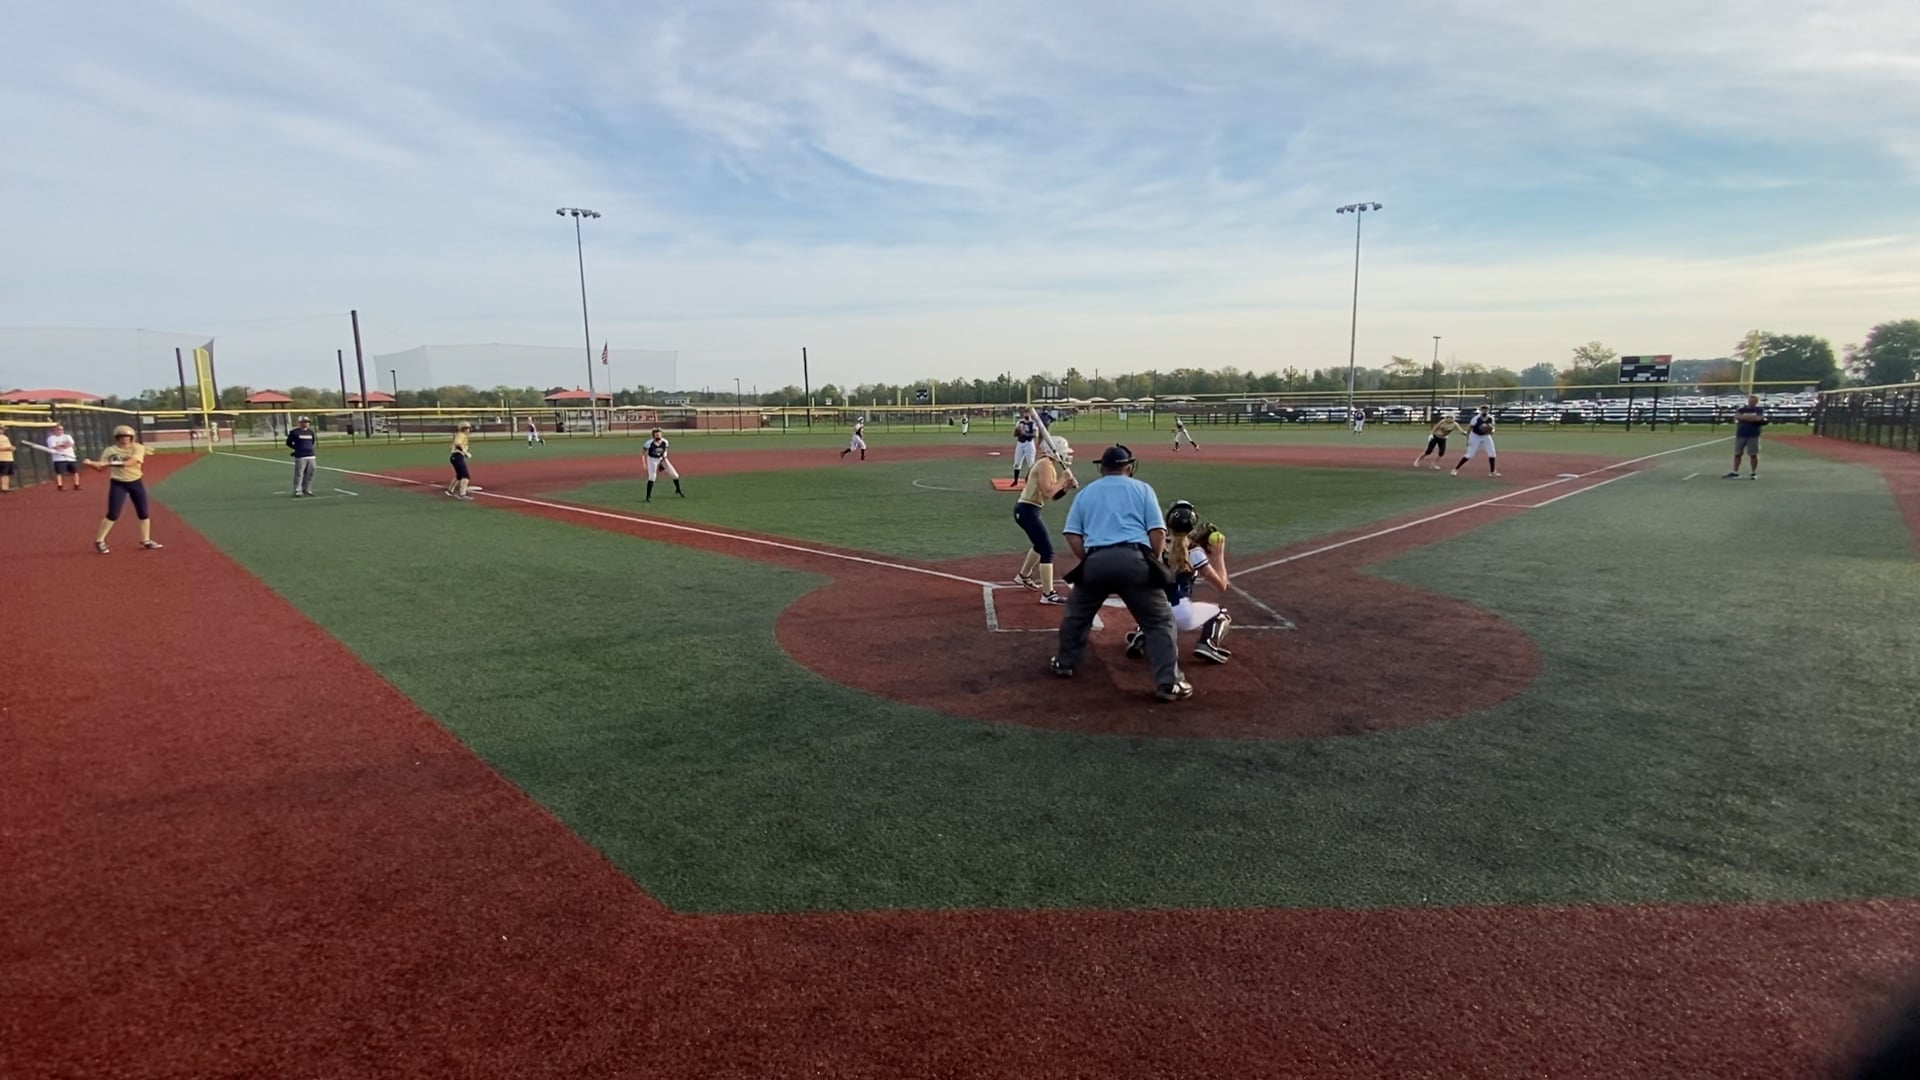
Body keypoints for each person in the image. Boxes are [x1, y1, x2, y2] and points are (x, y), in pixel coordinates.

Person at [1051, 444, 1191, 702]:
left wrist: (1090, 560)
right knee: (1159, 622)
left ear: (1102, 468)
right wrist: (1152, 560)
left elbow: (1072, 534)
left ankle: (1064, 662)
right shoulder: (1143, 489)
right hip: (1135, 560)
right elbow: (1158, 532)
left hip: (1096, 562)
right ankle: (1169, 683)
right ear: (1129, 467)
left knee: (1076, 615)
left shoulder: (1086, 492)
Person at [1125, 500, 1233, 665]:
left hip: (1154, 611)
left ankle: (1144, 632)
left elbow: (1176, 547)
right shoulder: (1195, 552)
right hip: (1183, 614)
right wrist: (1218, 555)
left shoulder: (1156, 546)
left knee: (1153, 604)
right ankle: (1207, 644)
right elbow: (1222, 585)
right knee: (1221, 613)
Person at [1012, 437, 1078, 605]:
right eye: (1063, 452)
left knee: (1039, 545)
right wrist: (1063, 479)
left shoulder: (1048, 465)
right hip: (1027, 510)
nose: (1065, 455)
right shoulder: (1044, 465)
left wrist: (1066, 487)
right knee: (1047, 550)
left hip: (1029, 510)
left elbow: (1052, 496)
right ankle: (1048, 594)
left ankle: (1023, 575)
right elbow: (1048, 492)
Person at [83, 425, 162, 553]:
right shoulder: (110, 450)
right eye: (122, 436)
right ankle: (100, 541)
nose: (125, 439)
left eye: (127, 436)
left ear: (132, 438)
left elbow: (130, 463)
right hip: (118, 483)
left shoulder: (138, 447)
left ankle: (146, 540)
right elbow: (100, 469)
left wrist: (107, 463)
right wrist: (91, 464)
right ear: (117, 438)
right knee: (113, 513)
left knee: (143, 512)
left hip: (135, 482)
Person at [1726, 394, 1767, 479]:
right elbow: (1737, 417)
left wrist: (1744, 418)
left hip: (1753, 435)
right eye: (1750, 400)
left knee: (1753, 454)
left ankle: (1753, 472)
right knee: (1738, 453)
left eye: (1753, 401)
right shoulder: (1742, 409)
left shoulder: (1759, 409)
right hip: (1741, 434)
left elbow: (1758, 418)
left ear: (1756, 402)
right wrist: (1751, 418)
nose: (1751, 402)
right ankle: (1735, 472)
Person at [1451, 406, 1500, 477]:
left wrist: (1491, 431)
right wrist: (1468, 440)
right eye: (1483, 410)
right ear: (1480, 410)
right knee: (1469, 455)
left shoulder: (1491, 418)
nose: (1484, 411)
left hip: (1486, 436)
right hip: (1475, 436)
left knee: (1492, 453)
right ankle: (1455, 469)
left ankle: (1492, 472)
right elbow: (1469, 429)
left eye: (1486, 410)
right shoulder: (1476, 418)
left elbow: (1492, 428)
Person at [642, 427, 684, 502]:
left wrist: (663, 459)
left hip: (662, 459)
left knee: (675, 475)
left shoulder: (665, 442)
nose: (658, 436)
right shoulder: (649, 443)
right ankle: (648, 496)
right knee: (652, 477)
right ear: (653, 435)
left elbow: (665, 450)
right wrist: (644, 463)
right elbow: (643, 453)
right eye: (656, 434)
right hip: (652, 460)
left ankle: (678, 489)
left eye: (659, 434)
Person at [286, 416, 318, 497]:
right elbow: (288, 442)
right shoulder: (294, 432)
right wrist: (297, 449)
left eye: (307, 422)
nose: (306, 423)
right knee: (299, 474)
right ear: (300, 423)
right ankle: (297, 490)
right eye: (304, 422)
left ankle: (307, 489)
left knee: (310, 474)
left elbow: (312, 442)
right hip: (301, 456)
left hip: (311, 455)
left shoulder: (310, 432)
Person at [445, 422, 475, 500]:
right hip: (457, 456)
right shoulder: (461, 435)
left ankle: (450, 491)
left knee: (459, 476)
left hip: (456, 457)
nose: (469, 430)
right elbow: (457, 444)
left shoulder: (461, 435)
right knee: (465, 476)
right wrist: (465, 452)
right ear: (464, 429)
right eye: (468, 428)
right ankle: (462, 494)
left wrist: (464, 453)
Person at [46, 423, 80, 490]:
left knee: (75, 472)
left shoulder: (67, 436)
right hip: (59, 458)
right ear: (54, 430)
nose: (60, 431)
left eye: (62, 429)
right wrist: (61, 446)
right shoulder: (51, 438)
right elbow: (53, 447)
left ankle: (76, 485)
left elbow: (71, 444)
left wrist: (62, 446)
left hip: (70, 457)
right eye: (58, 429)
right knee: (59, 473)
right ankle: (60, 486)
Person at [1011, 408, 1038, 483]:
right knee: (1017, 462)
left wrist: (1025, 433)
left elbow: (1035, 435)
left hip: (1029, 444)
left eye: (1028, 413)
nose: (1026, 414)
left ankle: (1030, 480)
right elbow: (1015, 434)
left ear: (1030, 414)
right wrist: (1018, 430)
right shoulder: (1020, 422)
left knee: (1031, 463)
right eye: (1025, 413)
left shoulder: (1033, 423)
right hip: (1020, 443)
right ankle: (1015, 480)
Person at [0, 428, 13, 494]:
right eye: (1, 429)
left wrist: (12, 448)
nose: (3, 430)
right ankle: (3, 488)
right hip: (2, 458)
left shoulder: (5, 437)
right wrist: (7, 449)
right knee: (3, 473)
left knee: (7, 474)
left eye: (3, 429)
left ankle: (6, 488)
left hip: (9, 458)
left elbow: (9, 446)